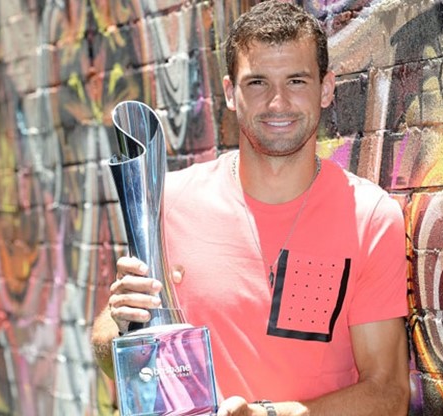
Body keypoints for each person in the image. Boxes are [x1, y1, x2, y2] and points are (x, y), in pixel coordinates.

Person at [91, 1, 410, 415]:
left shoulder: (369, 217)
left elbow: (388, 395)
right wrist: (120, 324)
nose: (278, 102)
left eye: (296, 81)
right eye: (257, 82)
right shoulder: (170, 203)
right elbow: (113, 356)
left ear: (326, 89)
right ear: (230, 93)